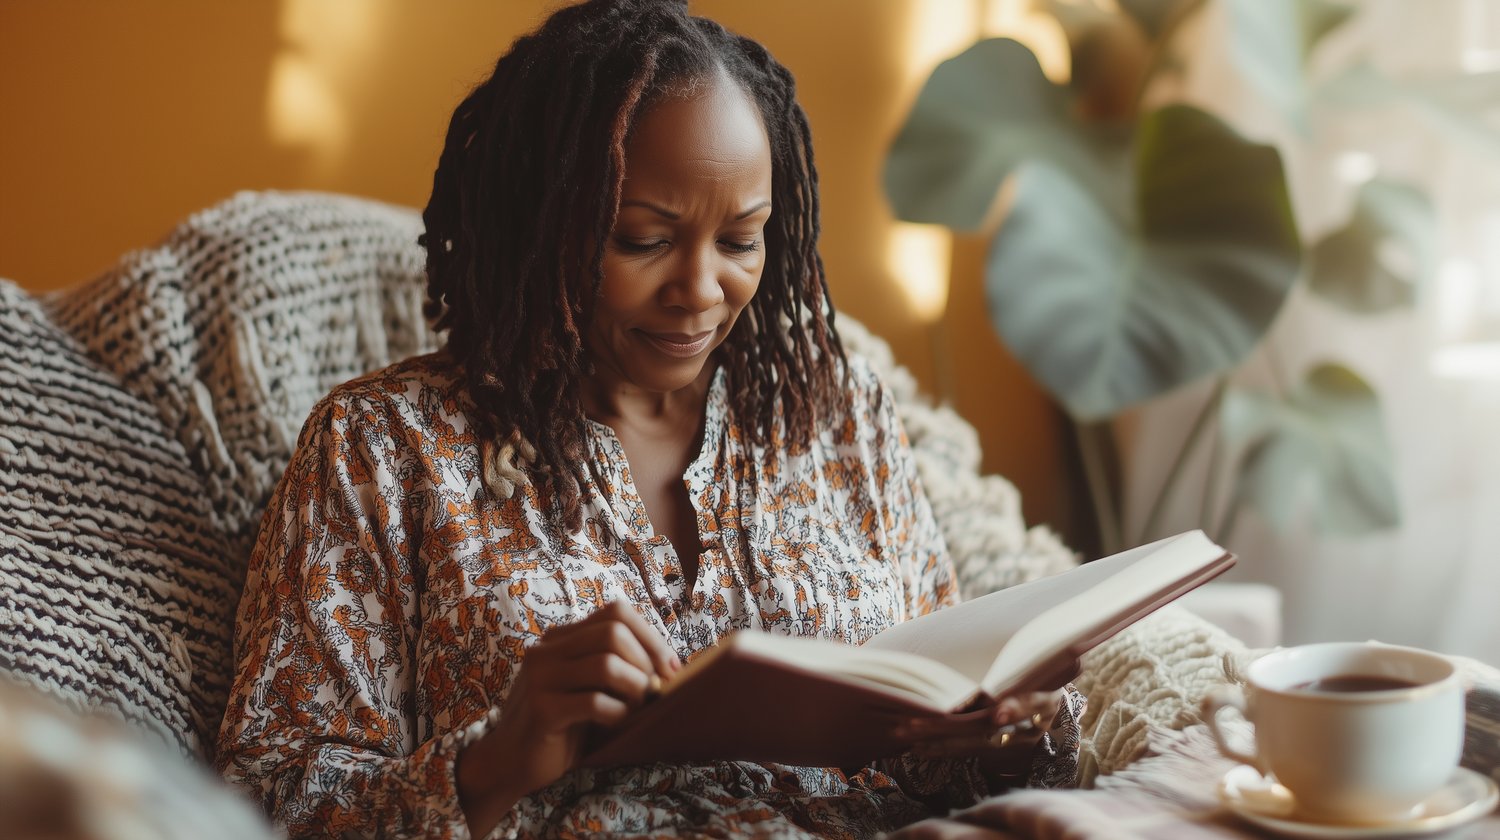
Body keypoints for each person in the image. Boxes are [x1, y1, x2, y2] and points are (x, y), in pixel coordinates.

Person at [215, 1, 1085, 838]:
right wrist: (497, 759)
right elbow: (262, 801)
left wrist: (1007, 737)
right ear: (537, 223)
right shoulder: (380, 449)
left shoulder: (836, 413)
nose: (700, 291)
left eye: (740, 240)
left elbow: (937, 718)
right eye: (643, 239)